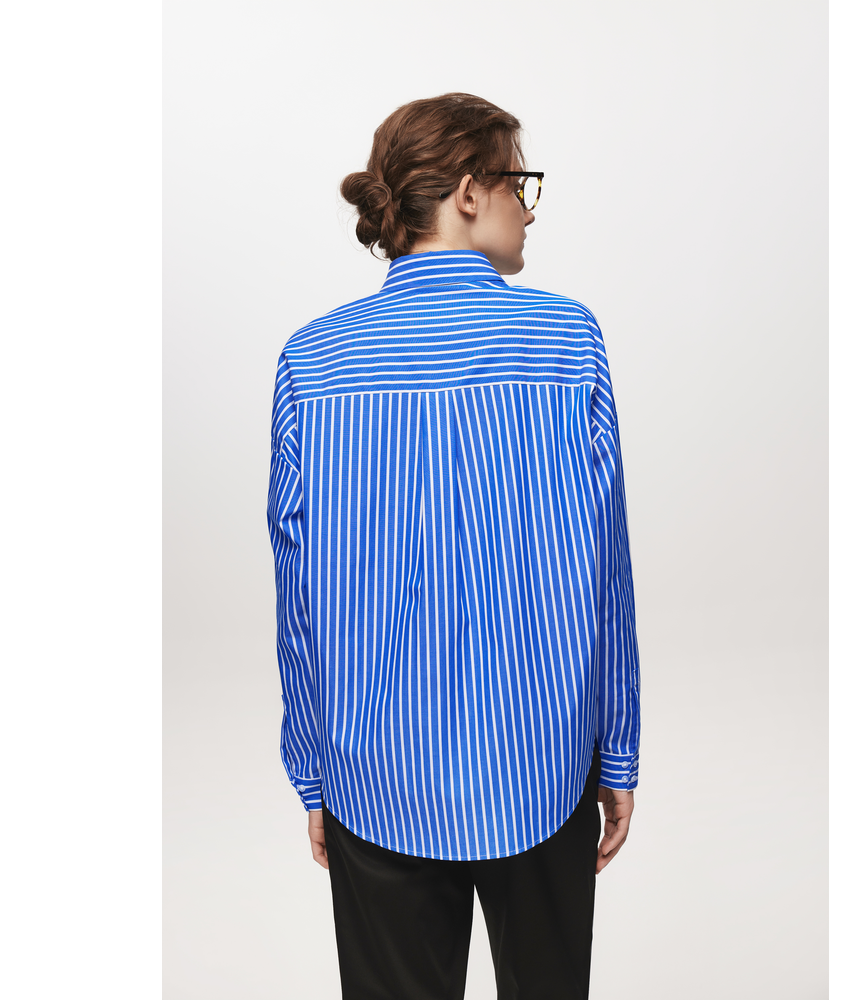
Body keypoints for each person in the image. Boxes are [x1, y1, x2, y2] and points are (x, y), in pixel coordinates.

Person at [267, 92, 641, 1000]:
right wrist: (617, 750)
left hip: (375, 776)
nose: (530, 210)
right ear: (470, 192)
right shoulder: (566, 339)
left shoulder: (313, 360)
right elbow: (607, 566)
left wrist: (314, 770)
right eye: (521, 184)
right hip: (542, 764)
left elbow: (297, 587)